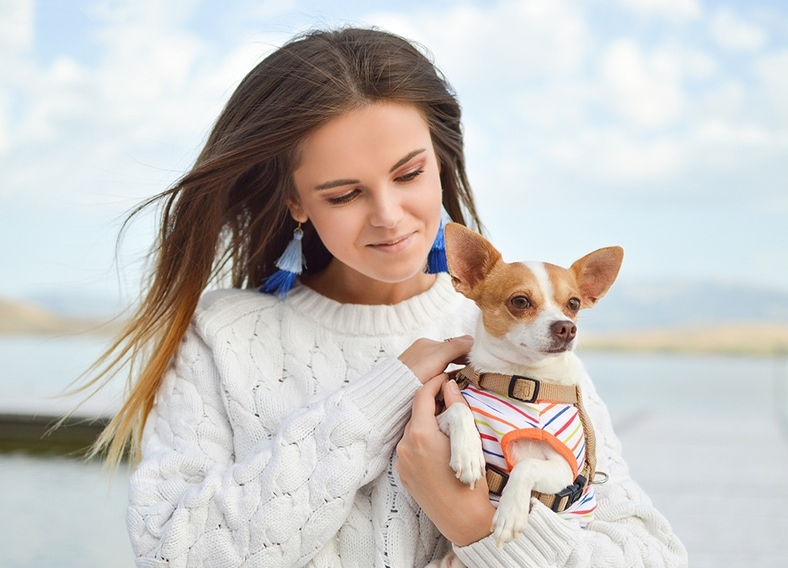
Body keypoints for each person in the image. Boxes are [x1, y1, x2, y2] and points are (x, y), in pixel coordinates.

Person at [88, 27, 687, 567]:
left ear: (440, 162)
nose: (388, 216)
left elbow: (650, 555)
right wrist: (376, 402)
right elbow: (177, 555)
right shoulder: (222, 336)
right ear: (296, 202)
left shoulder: (513, 339)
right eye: (344, 193)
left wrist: (475, 525)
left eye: (408, 174)